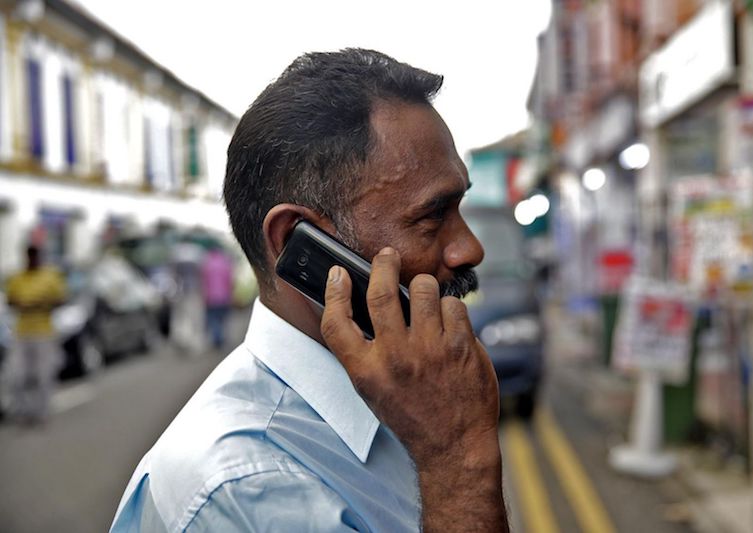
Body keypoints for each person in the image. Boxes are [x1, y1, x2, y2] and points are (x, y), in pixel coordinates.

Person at [111, 49, 507, 532]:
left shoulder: (408, 394)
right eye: (431, 216)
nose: (470, 249)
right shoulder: (246, 488)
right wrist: (457, 459)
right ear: (297, 244)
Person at [5, 245, 66, 424]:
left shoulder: (50, 277)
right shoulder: (17, 278)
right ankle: (23, 411)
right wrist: (22, 305)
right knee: (17, 374)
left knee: (44, 374)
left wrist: (44, 304)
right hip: (22, 332)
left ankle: (41, 411)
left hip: (44, 332)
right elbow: (10, 301)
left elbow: (61, 299)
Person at [200, 245, 234, 349]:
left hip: (211, 297)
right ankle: (220, 337)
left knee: (213, 319)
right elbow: (230, 281)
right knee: (222, 318)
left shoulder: (207, 265)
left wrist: (204, 295)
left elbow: (204, 282)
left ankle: (217, 338)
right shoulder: (225, 263)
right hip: (224, 296)